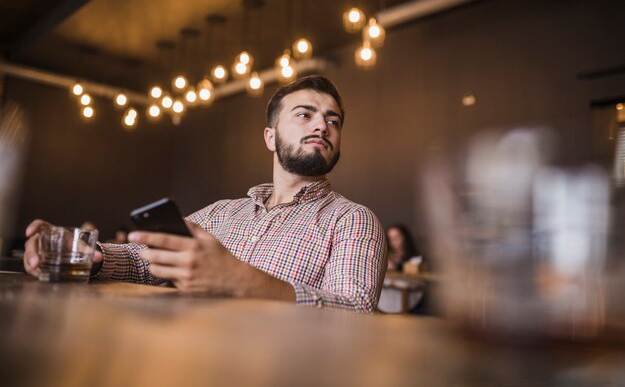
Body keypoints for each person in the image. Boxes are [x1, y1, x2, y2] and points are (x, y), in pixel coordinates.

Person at [23, 76, 387, 312]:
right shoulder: (222, 213)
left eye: (333, 121)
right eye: (305, 115)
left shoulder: (353, 220)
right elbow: (147, 259)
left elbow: (354, 312)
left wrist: (241, 281)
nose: (323, 125)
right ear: (270, 137)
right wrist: (91, 253)